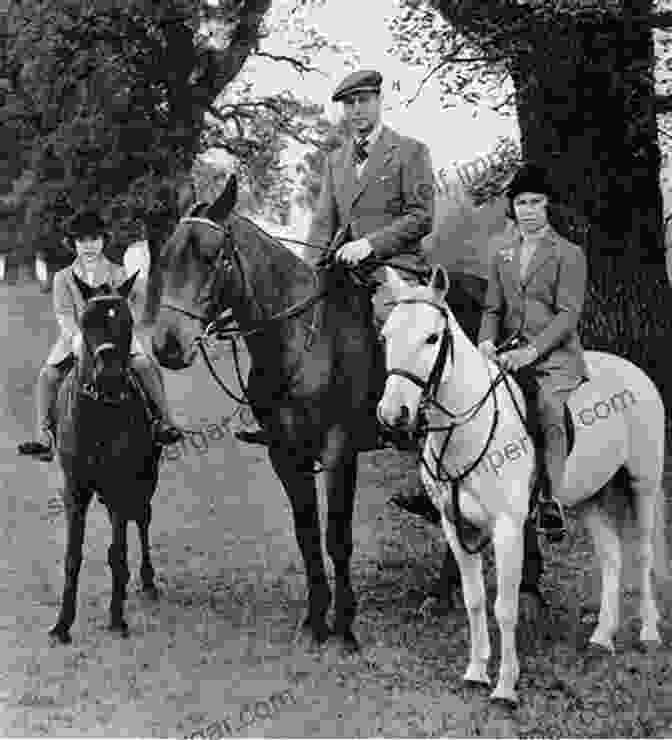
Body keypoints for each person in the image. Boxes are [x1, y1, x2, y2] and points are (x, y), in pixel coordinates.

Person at [236, 68, 435, 448]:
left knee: (387, 318)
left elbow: (421, 217)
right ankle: (276, 412)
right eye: (349, 104)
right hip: (343, 270)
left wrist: (371, 245)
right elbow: (323, 223)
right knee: (288, 318)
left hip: (395, 269)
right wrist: (304, 273)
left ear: (379, 101)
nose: (357, 110)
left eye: (363, 101)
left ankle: (401, 422)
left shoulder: (411, 152)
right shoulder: (335, 160)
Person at [18, 208, 184, 462]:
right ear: (73, 244)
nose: (88, 246)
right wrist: (76, 337)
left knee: (143, 364)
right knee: (48, 375)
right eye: (82, 241)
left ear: (103, 241)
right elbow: (64, 314)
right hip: (77, 337)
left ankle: (163, 422)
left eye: (94, 239)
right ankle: (45, 436)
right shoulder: (63, 278)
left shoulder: (117, 272)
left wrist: (124, 329)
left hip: (116, 336)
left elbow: (128, 308)